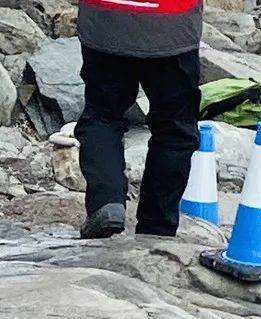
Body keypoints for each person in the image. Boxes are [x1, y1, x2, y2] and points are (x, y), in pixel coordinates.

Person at [75, 0, 203, 239]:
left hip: (106, 19)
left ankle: (107, 201)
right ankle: (156, 228)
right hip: (172, 24)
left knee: (103, 116)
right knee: (174, 128)